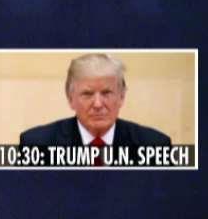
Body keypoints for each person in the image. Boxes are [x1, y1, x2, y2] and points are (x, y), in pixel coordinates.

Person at [19, 53, 172, 148]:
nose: (98, 104)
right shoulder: (37, 144)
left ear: (121, 97)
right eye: (87, 94)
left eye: (106, 93)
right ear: (70, 98)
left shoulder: (154, 145)